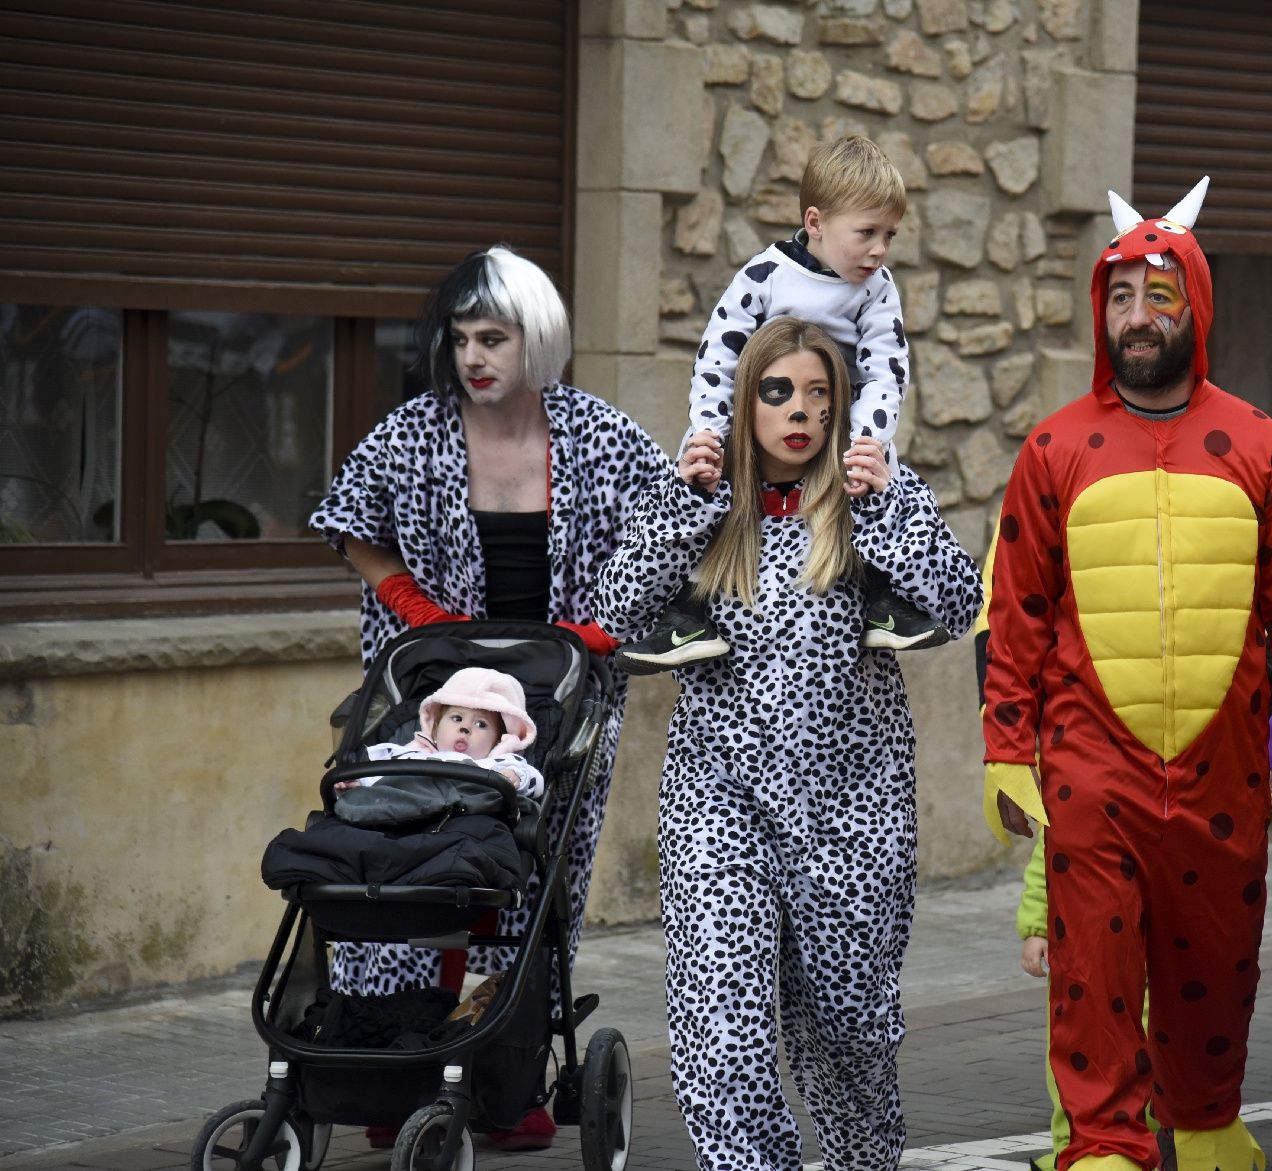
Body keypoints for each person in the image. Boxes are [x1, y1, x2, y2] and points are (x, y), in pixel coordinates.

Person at [980, 180, 1272, 1171]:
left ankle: (1208, 1115)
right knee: (1090, 965)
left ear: (1195, 303)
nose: (1136, 319)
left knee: (1214, 958)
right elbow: (1012, 617)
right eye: (1119, 299)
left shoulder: (1265, 448)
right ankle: (1100, 1142)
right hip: (1091, 766)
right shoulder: (1052, 448)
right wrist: (1007, 748)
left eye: (1158, 296)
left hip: (1223, 770)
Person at [591, 317, 982, 1171]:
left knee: (850, 1034)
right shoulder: (697, 489)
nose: (798, 411)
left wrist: (882, 513)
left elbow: (958, 603)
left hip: (856, 804)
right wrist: (687, 509)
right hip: (719, 803)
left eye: (818, 393)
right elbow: (614, 611)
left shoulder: (875, 487)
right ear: (745, 401)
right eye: (778, 392)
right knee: (725, 1035)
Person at [308, 243, 667, 1150]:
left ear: (535, 339)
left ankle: (507, 1076)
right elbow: (350, 522)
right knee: (402, 870)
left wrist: (609, 624)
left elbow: (670, 536)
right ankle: (391, 1066)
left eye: (494, 337)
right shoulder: (413, 431)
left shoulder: (602, 436)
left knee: (533, 881)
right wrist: (409, 605)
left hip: (560, 700)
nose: (474, 357)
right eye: (463, 337)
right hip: (435, 694)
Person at [616, 135, 945, 674]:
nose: (880, 250)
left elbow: (887, 367)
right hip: (755, 432)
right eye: (866, 233)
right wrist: (710, 431)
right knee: (709, 476)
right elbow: (719, 353)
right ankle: (690, 608)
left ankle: (883, 600)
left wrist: (867, 445)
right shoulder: (765, 275)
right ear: (815, 223)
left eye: (889, 235)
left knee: (869, 489)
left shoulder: (878, 288)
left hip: (841, 429)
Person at [1013, 701, 1272, 1171]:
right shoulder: (1083, 770)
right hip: (1090, 936)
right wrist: (1037, 927)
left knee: (1167, 1030)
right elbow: (1054, 855)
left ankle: (1152, 1137)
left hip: (1166, 928)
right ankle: (1080, 1144)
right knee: (1088, 1034)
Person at [337, 666, 543, 798]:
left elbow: (534, 780)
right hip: (395, 818)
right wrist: (357, 784)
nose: (465, 728)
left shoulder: (497, 764)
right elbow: (377, 776)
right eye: (457, 718)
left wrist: (515, 777)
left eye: (481, 724)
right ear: (435, 728)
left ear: (498, 741)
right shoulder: (407, 754)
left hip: (458, 827)